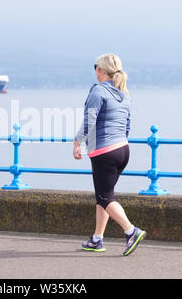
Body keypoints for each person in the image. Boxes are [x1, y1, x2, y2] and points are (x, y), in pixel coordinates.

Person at [73, 53, 146, 256]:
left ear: (102, 71)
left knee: (105, 197)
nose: (95, 70)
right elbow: (127, 125)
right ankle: (97, 239)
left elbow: (90, 119)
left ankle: (131, 231)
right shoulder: (124, 94)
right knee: (104, 197)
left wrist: (77, 141)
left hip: (105, 151)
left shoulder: (98, 91)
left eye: (95, 67)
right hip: (123, 149)